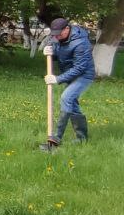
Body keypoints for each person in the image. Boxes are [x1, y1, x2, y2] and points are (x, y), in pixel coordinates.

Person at [40, 17, 96, 151]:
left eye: (60, 33)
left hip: (83, 75)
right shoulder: (57, 36)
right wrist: (49, 53)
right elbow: (56, 50)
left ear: (67, 29)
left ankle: (56, 138)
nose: (57, 36)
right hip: (69, 72)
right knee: (73, 105)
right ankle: (82, 139)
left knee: (66, 98)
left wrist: (57, 79)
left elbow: (79, 68)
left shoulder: (81, 43)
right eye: (55, 34)